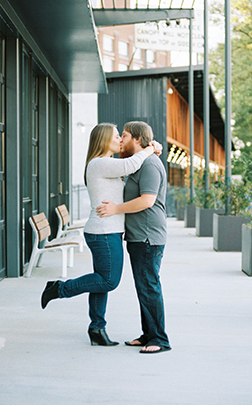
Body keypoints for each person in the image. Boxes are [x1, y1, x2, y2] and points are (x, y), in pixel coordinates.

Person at [40, 123, 162, 347]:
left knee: (100, 282)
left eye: (122, 136)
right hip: (104, 232)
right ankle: (59, 288)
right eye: (117, 136)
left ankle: (97, 327)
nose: (120, 140)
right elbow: (132, 163)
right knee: (108, 281)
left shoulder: (108, 164)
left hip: (107, 231)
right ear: (104, 139)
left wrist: (150, 150)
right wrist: (150, 148)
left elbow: (132, 165)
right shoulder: (99, 163)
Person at [97, 121, 170, 354]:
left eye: (125, 136)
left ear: (137, 139)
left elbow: (147, 200)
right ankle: (148, 334)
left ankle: (159, 339)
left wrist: (115, 209)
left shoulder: (149, 164)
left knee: (149, 287)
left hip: (148, 237)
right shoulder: (140, 162)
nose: (121, 140)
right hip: (140, 237)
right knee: (144, 287)